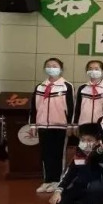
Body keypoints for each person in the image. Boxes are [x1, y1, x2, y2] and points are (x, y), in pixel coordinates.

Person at [30, 57, 75, 193]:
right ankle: (47, 180)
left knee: (58, 155)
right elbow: (34, 107)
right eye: (48, 66)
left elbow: (71, 107)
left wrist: (70, 125)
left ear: (61, 69)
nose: (51, 68)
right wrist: (33, 124)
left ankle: (57, 181)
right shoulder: (40, 87)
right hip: (43, 125)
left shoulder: (67, 86)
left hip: (60, 126)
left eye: (54, 66)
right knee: (45, 154)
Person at [48, 123, 100, 204]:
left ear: (97, 142)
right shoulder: (79, 153)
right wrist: (58, 191)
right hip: (81, 186)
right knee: (59, 201)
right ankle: (82, 203)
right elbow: (70, 173)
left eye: (89, 140)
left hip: (95, 188)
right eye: (82, 140)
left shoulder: (101, 154)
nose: (85, 142)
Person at [74, 60, 103, 125]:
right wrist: (75, 123)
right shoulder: (82, 88)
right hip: (83, 123)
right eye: (90, 69)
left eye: (96, 69)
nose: (93, 71)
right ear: (87, 71)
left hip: (102, 123)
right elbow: (77, 107)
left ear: (102, 71)